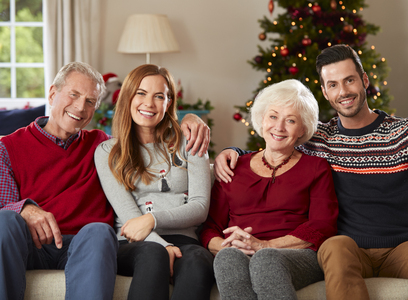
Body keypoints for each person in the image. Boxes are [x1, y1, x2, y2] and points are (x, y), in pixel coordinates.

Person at [214, 44, 408, 300]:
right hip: (347, 249)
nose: (343, 91)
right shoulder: (319, 139)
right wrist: (232, 151)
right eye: (333, 85)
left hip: (403, 246)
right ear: (325, 93)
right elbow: (277, 139)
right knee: (335, 246)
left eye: (349, 80)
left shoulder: (405, 133)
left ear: (364, 80)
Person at [0, 62, 211, 300]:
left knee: (100, 231)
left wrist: (198, 124)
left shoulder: (100, 145)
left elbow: (142, 138)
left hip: (88, 244)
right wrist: (25, 208)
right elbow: (4, 206)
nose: (80, 107)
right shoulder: (7, 147)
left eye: (90, 101)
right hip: (34, 245)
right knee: (6, 219)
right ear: (52, 93)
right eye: (74, 95)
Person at [200, 79, 338, 300]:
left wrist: (264, 245)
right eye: (273, 116)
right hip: (240, 252)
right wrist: (225, 245)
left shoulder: (316, 167)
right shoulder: (234, 166)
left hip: (296, 255)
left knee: (266, 258)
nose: (279, 127)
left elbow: (323, 225)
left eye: (290, 120)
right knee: (228, 258)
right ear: (262, 119)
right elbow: (210, 226)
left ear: (303, 128)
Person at [94, 64, 215, 300]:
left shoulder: (190, 141)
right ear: (128, 96)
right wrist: (162, 246)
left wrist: (153, 219)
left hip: (185, 238)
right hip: (133, 242)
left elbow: (200, 207)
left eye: (159, 96)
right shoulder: (108, 151)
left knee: (200, 261)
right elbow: (129, 217)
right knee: (153, 254)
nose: (149, 103)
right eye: (141, 93)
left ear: (168, 103)